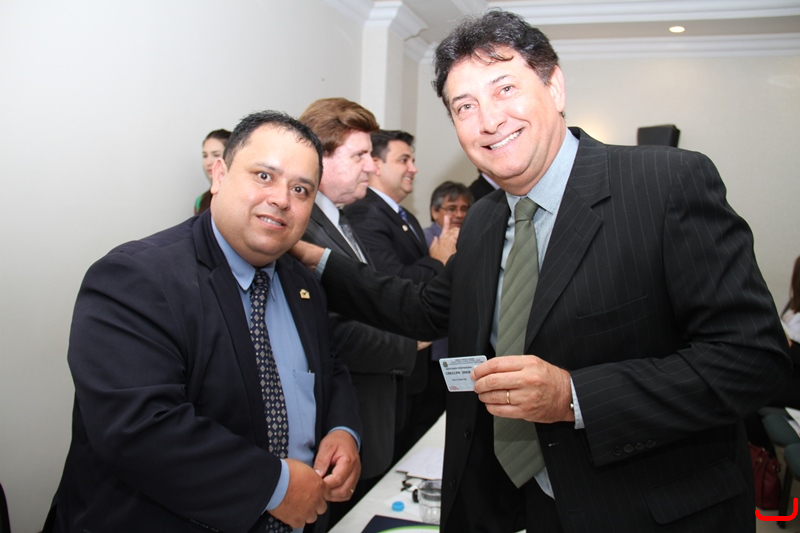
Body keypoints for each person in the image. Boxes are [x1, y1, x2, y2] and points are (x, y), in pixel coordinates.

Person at [291, 10, 790, 533]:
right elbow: (423, 308)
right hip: (522, 504)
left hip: (647, 510)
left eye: (505, 88)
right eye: (465, 106)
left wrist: (574, 397)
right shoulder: (484, 219)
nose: (488, 120)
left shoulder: (664, 185)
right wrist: (313, 258)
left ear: (554, 87)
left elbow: (751, 358)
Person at [44, 111, 361, 533]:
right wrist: (275, 486)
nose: (282, 199)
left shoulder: (301, 283)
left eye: (300, 189)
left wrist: (342, 430)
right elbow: (138, 429)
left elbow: (330, 367)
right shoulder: (135, 278)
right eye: (264, 176)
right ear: (219, 175)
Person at [296, 98, 418, 524]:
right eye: (359, 156)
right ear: (320, 158)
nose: (371, 166)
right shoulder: (304, 230)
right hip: (339, 427)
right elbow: (334, 332)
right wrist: (413, 343)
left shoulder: (341, 219)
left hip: (370, 416)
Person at [344, 129, 457, 459]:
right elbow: (391, 283)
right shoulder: (365, 212)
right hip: (388, 366)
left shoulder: (400, 216)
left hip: (411, 369)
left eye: (413, 160)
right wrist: (437, 260)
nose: (413, 168)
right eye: (404, 160)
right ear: (376, 165)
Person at [423, 181, 473, 362]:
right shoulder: (426, 238)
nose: (459, 214)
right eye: (452, 208)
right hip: (436, 339)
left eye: (464, 208)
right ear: (435, 211)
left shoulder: (474, 236)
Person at [195, 128, 231, 214]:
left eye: (216, 155)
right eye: (205, 156)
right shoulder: (201, 201)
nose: (208, 162)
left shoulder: (245, 197)